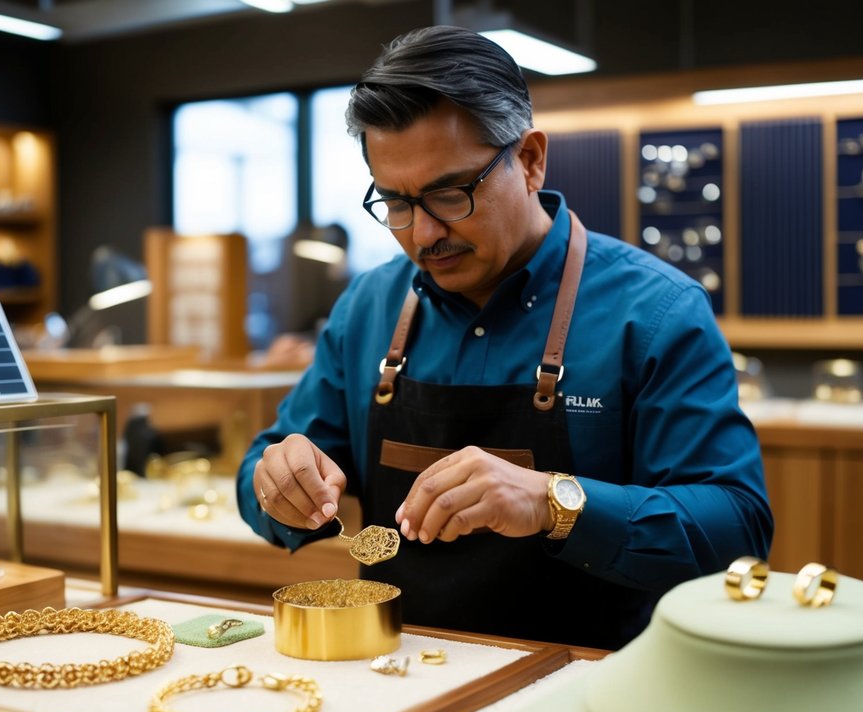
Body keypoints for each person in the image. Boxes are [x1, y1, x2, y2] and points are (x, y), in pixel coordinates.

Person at [238, 25, 772, 650]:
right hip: (395, 675)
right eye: (396, 203)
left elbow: (737, 529)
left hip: (592, 687)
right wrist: (276, 485)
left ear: (529, 159)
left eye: (449, 193)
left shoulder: (657, 313)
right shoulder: (368, 306)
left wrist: (556, 503)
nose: (422, 234)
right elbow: (266, 465)